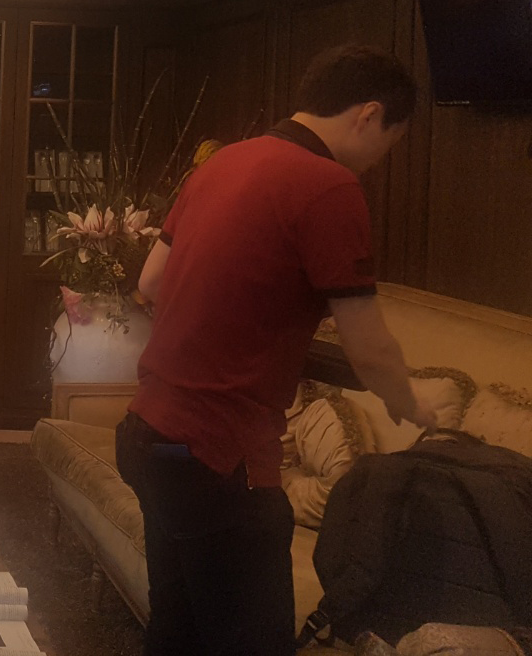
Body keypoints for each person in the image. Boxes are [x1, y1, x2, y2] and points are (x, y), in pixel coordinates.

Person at [116, 44, 438, 656]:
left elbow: (151, 282)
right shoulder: (329, 186)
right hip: (218, 457)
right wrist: (412, 403)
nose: (379, 160)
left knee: (177, 632)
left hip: (150, 439)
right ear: (369, 114)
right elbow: (369, 347)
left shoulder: (222, 163)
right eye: (390, 142)